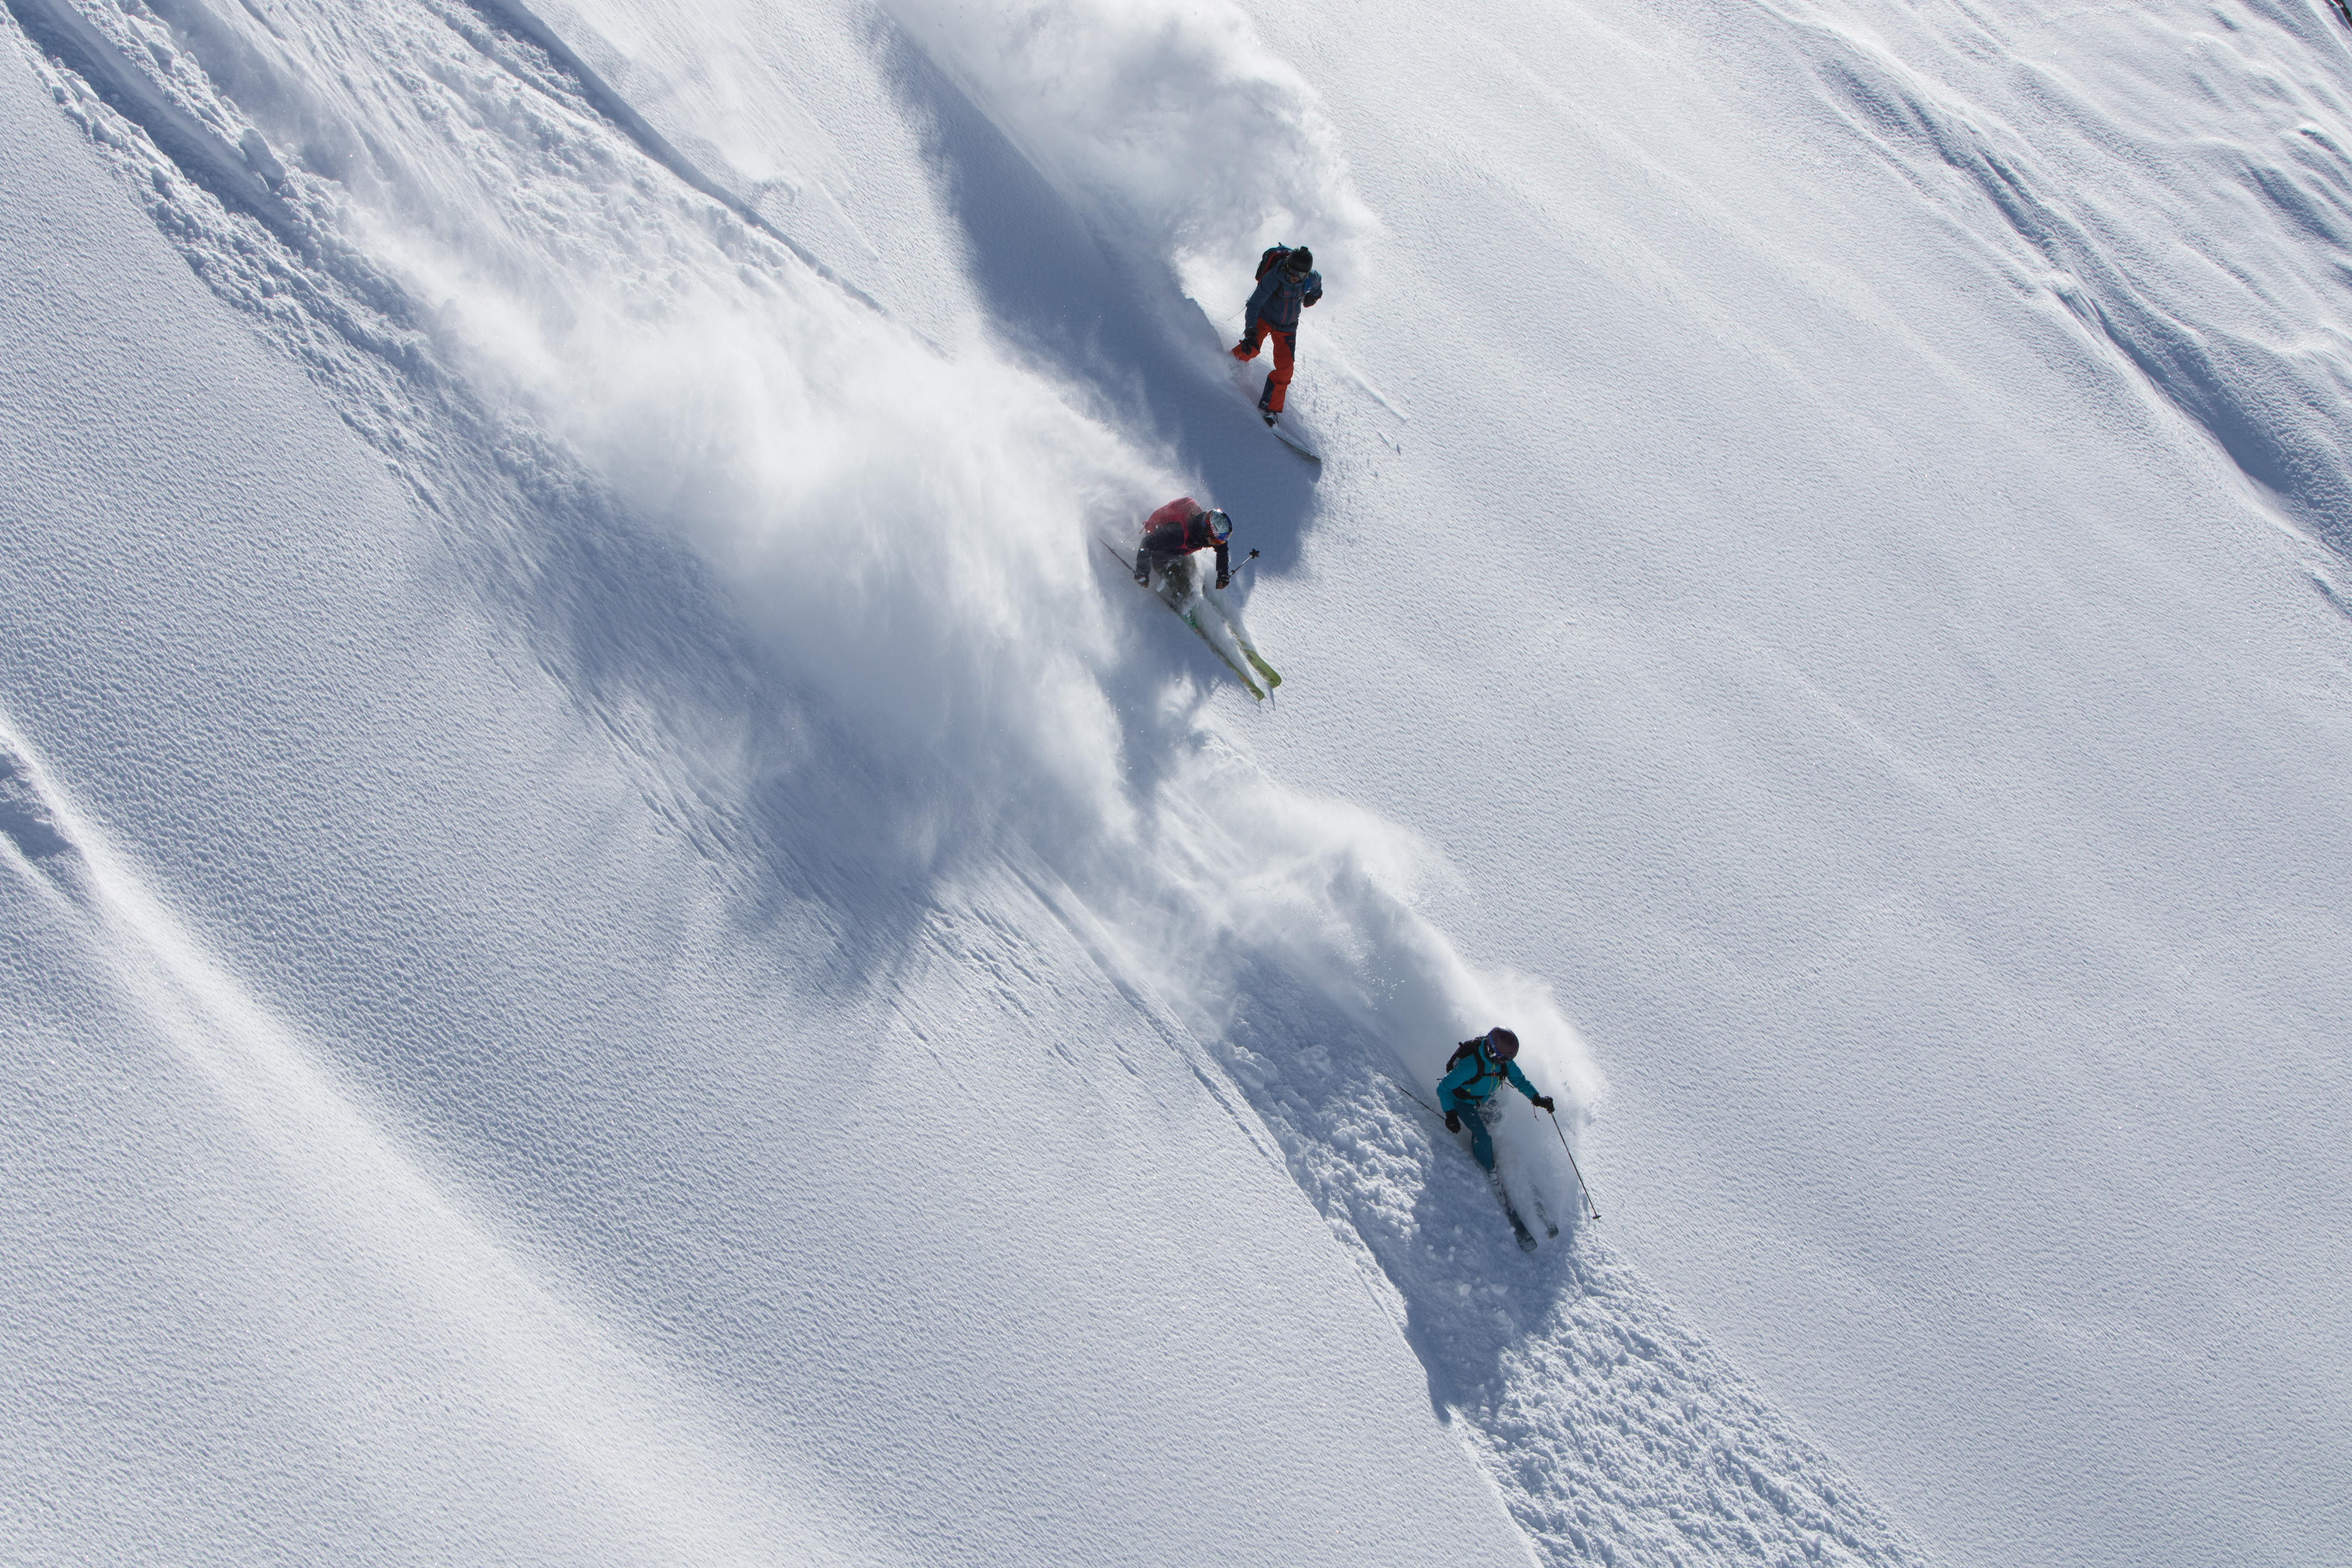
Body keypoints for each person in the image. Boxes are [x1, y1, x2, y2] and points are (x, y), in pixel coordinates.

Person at [1439, 1027, 1556, 1172]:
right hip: (1462, 1101)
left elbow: (1519, 1080)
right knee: (1483, 1138)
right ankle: (1488, 1170)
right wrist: (1451, 1114)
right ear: (1492, 1051)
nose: (1506, 1062)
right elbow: (1444, 1087)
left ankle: (1489, 1151)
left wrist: (1537, 1098)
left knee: (1495, 1123)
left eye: (1509, 1059)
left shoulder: (1503, 1062)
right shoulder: (1470, 1065)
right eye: (1504, 1059)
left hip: (1484, 1098)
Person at [1231, 245, 1323, 426]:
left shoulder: (1309, 279)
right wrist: (1251, 332)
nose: (1296, 277)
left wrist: (1315, 295)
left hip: (1288, 327)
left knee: (1286, 368)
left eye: (1301, 274)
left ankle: (1270, 409)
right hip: (1264, 318)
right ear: (1287, 266)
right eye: (1293, 272)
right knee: (1252, 349)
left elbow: (1318, 282)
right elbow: (1254, 305)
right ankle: (1227, 365)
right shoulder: (1274, 278)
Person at [1134, 496, 1234, 589]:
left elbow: (1222, 548)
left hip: (1179, 552)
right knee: (1186, 589)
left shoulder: (1201, 527)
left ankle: (1192, 588)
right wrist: (1142, 573)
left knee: (1193, 570)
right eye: (1215, 541)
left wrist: (1223, 574)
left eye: (1219, 541)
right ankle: (1180, 598)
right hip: (1160, 556)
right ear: (1206, 533)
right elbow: (1146, 544)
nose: (1217, 544)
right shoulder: (1178, 536)